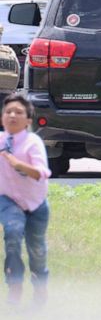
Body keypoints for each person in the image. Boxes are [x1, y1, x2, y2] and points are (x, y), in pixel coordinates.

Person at [0, 94, 51, 306]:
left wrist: (16, 163)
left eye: (19, 112)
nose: (12, 115)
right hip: (8, 199)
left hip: (36, 203)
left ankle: (40, 287)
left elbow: (41, 173)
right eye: (8, 112)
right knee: (12, 235)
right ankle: (14, 284)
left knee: (36, 249)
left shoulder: (33, 142)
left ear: (28, 120)